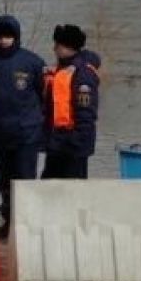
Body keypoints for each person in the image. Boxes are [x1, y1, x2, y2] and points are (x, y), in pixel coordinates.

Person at [0, 15, 46, 236]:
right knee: (5, 180)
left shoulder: (33, 62)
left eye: (8, 36)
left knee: (26, 180)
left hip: (27, 134)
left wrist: (39, 128)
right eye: (0, 37)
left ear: (16, 37)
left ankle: (28, 226)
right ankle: (9, 222)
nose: (4, 41)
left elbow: (43, 96)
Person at [42, 24, 100, 180]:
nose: (54, 49)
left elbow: (86, 112)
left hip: (73, 145)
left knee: (73, 191)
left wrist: (76, 141)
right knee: (49, 187)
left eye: (57, 45)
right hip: (57, 143)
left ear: (68, 47)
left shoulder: (83, 74)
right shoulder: (61, 70)